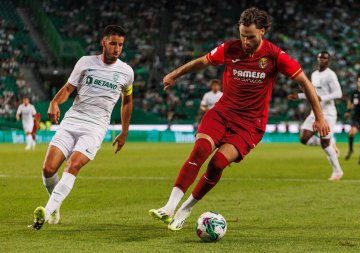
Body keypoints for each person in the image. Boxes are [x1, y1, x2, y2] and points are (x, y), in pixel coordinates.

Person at [149, 7, 330, 231]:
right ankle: (169, 206)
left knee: (217, 164)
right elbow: (202, 62)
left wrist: (319, 117)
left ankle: (187, 207)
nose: (245, 41)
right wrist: (174, 74)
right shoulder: (230, 48)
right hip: (222, 112)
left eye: (251, 37)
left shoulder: (275, 56)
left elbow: (305, 82)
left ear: (263, 31)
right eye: (242, 35)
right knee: (200, 150)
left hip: (249, 125)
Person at [31, 25, 134, 230]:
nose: (116, 48)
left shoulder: (126, 72)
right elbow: (69, 88)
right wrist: (54, 102)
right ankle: (55, 204)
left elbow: (127, 101)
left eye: (120, 45)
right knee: (48, 169)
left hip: (95, 127)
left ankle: (47, 210)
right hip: (72, 121)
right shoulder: (85, 62)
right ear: (103, 42)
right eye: (113, 43)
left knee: (73, 164)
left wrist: (124, 131)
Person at [287, 51, 344, 181]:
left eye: (325, 58)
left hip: (328, 114)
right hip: (315, 112)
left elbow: (338, 93)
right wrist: (300, 96)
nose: (322, 60)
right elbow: (312, 93)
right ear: (317, 59)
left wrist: (321, 97)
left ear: (329, 61)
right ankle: (331, 142)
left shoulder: (331, 75)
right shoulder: (314, 74)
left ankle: (338, 171)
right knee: (304, 138)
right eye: (320, 58)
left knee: (325, 145)